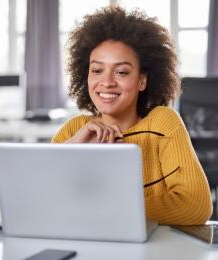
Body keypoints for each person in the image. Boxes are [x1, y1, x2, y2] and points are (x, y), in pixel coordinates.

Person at [52, 6, 212, 225]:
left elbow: (195, 205)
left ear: (142, 81)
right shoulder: (74, 130)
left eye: (121, 72)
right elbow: (44, 205)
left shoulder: (163, 123)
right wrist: (69, 153)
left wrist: (104, 210)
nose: (106, 82)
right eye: (97, 70)